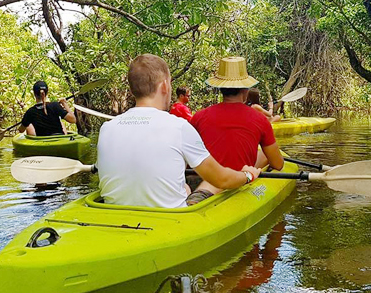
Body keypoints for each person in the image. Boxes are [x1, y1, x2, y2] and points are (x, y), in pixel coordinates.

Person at [96, 54, 261, 208]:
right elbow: (222, 179)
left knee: (186, 187)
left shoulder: (106, 128)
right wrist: (247, 175)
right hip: (170, 221)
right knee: (208, 183)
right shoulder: (179, 127)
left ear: (132, 90)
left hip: (116, 218)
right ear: (165, 86)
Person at [189, 56, 284, 202]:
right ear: (245, 90)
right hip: (235, 179)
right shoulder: (259, 119)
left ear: (220, 89)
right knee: (265, 155)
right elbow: (278, 164)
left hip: (207, 177)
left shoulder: (199, 116)